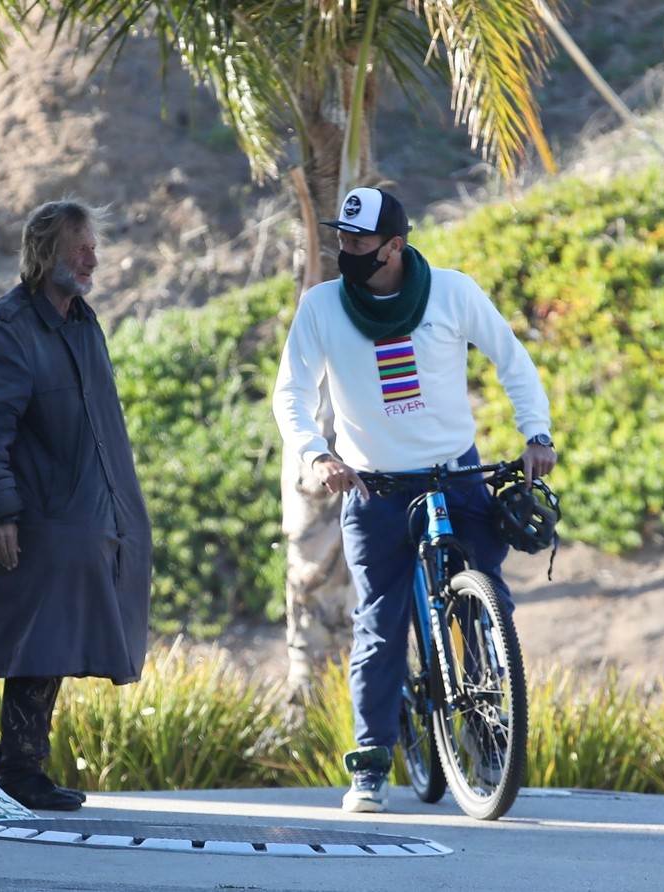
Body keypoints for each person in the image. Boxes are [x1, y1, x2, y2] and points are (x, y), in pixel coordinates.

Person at [272, 187, 556, 813]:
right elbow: (290, 392)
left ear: (394, 246)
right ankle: (370, 768)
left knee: (489, 600)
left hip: (455, 475)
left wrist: (537, 433)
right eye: (341, 238)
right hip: (374, 488)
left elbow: (513, 361)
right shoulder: (322, 307)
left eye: (358, 242)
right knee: (379, 622)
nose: (345, 250)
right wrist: (316, 454)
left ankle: (488, 739)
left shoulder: (451, 293)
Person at [0, 200, 152, 811]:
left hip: (85, 521)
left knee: (55, 644)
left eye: (93, 245)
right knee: (40, 643)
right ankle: (17, 771)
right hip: (38, 520)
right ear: (45, 254)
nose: (92, 258)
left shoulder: (82, 322)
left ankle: (23, 767)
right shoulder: (12, 325)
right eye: (79, 247)